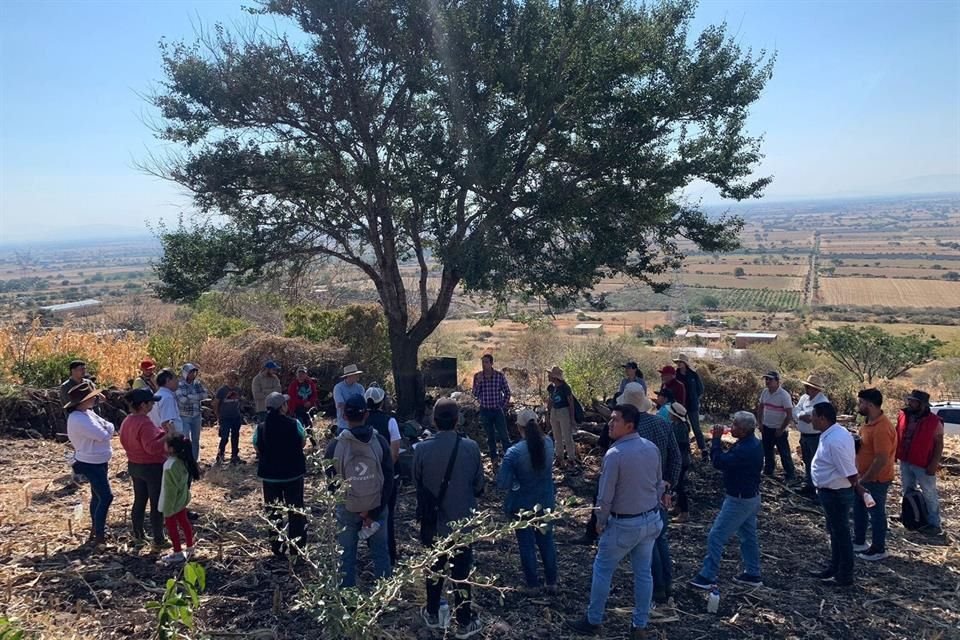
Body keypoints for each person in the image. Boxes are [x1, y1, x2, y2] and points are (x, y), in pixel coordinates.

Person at [568, 404, 664, 639]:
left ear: (629, 425)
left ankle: (594, 620)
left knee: (602, 570)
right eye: (610, 419)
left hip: (624, 524)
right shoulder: (651, 448)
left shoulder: (615, 455)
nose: (610, 424)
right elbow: (658, 482)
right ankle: (639, 625)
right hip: (650, 520)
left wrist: (599, 520)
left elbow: (605, 495)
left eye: (615, 421)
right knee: (643, 573)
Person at [414, 398, 485, 639]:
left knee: (434, 569)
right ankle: (464, 621)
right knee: (462, 572)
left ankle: (433, 614)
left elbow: (418, 484)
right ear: (457, 420)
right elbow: (479, 486)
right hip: (462, 522)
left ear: (434, 421)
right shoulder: (471, 448)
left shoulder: (421, 449)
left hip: (433, 523)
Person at [689, 411, 764, 590]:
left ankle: (708, 575)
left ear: (745, 430)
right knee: (748, 536)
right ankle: (753, 573)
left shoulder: (745, 450)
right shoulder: (754, 444)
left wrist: (715, 441)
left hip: (738, 499)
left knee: (716, 536)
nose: (731, 427)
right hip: (751, 496)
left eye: (735, 425)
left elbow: (719, 462)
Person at [325, 395, 394, 587]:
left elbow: (331, 483)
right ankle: (384, 597)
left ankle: (347, 602)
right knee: (381, 553)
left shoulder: (335, 446)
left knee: (346, 556)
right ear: (367, 414)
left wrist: (352, 506)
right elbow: (389, 479)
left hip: (347, 509)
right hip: (377, 506)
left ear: (345, 416)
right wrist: (372, 512)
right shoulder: (380, 442)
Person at [622, 385, 680, 608]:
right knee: (660, 538)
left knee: (649, 543)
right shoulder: (663, 424)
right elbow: (676, 457)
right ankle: (667, 584)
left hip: (643, 492)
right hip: (661, 490)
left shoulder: (631, 429)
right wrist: (669, 485)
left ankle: (657, 589)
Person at [496, 408, 558, 594]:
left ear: (518, 427)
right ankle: (552, 581)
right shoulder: (548, 443)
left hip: (521, 504)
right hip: (545, 500)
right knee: (547, 541)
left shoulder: (513, 453)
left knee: (526, 544)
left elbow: (502, 483)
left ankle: (532, 584)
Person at [809, 402, 862, 587]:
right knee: (835, 532)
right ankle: (835, 568)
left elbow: (848, 470)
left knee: (841, 533)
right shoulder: (834, 433)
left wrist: (859, 488)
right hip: (831, 491)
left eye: (814, 415)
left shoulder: (835, 440)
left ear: (822, 418)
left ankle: (844, 575)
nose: (811, 419)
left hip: (836, 493)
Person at [255, 392, 308, 557]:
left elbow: (256, 446)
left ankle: (277, 548)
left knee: (273, 512)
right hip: (293, 475)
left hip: (270, 477)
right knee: (296, 512)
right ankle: (297, 549)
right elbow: (303, 441)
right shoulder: (295, 423)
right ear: (282, 407)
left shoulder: (261, 427)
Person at [119, 388, 172, 551]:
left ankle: (139, 536)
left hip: (134, 465)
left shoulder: (127, 420)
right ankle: (158, 539)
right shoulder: (145, 422)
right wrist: (168, 435)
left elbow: (126, 440)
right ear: (143, 405)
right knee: (157, 503)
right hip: (151, 467)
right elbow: (152, 447)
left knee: (140, 500)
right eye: (151, 402)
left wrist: (161, 433)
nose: (153, 405)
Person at [65, 381, 114, 547]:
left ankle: (96, 529)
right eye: (91, 397)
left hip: (98, 459)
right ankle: (100, 534)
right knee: (106, 496)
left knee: (97, 495)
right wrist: (108, 430)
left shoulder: (88, 413)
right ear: (82, 401)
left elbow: (108, 427)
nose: (94, 399)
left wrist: (108, 429)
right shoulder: (78, 418)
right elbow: (103, 434)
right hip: (90, 462)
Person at [854, 388, 897, 561]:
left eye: (861, 402)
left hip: (876, 480)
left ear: (870, 404)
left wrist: (865, 480)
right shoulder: (868, 423)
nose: (859, 405)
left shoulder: (882, 428)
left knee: (876, 513)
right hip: (863, 477)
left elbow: (881, 459)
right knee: (859, 510)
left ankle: (879, 548)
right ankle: (859, 541)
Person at [895, 389, 945, 536]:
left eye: (913, 401)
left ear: (922, 404)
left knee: (929, 493)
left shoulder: (934, 421)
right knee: (907, 490)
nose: (909, 403)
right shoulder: (903, 415)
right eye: (909, 400)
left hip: (924, 463)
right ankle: (908, 516)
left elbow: (939, 444)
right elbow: (897, 434)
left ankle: (934, 524)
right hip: (905, 460)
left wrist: (934, 464)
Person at [364, 386, 402, 566]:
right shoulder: (390, 421)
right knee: (388, 515)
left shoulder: (361, 420)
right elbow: (395, 453)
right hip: (388, 479)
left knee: (368, 513)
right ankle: (389, 554)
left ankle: (373, 549)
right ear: (382, 401)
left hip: (365, 477)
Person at [159, 434, 201, 565]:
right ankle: (190, 547)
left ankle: (177, 552)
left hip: (171, 502)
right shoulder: (184, 462)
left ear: (171, 449)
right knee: (184, 522)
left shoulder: (169, 465)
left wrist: (168, 508)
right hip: (181, 500)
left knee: (172, 527)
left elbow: (169, 489)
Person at [792, 374, 829, 496]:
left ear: (816, 389)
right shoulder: (804, 398)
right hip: (804, 435)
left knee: (817, 463)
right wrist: (800, 415)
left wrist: (802, 415)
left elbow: (811, 418)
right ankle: (809, 486)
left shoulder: (822, 402)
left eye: (809, 387)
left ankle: (818, 490)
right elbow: (795, 411)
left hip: (816, 437)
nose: (806, 389)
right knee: (807, 461)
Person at [472, 354, 512, 464]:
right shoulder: (477, 376)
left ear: (491, 363)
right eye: (482, 362)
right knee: (490, 437)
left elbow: (507, 392)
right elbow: (475, 394)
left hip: (497, 410)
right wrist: (479, 382)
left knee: (504, 435)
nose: (484, 365)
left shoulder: (499, 376)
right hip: (485, 410)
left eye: (486, 362)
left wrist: (502, 405)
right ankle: (494, 459)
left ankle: (509, 459)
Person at [757, 371, 796, 482]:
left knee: (784, 453)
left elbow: (789, 415)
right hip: (766, 427)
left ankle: (790, 474)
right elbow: (760, 407)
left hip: (779, 429)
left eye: (770, 379)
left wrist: (781, 429)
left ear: (777, 381)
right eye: (766, 379)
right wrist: (760, 423)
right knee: (768, 451)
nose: (767, 382)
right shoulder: (765, 392)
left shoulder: (784, 395)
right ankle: (769, 471)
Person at [673, 354, 707, 460]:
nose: (679, 364)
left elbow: (700, 389)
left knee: (696, 427)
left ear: (685, 363)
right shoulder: (675, 375)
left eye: (680, 362)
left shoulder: (693, 375)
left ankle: (703, 449)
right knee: (682, 428)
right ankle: (685, 449)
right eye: (677, 362)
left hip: (692, 406)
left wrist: (695, 399)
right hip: (680, 405)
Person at [546, 366, 578, 469]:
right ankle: (559, 457)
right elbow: (550, 401)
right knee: (557, 436)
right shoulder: (551, 388)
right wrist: (548, 413)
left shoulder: (565, 387)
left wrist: (572, 417)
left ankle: (571, 458)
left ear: (554, 377)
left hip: (564, 411)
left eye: (549, 375)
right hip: (554, 411)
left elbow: (571, 403)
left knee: (567, 436)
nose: (548, 376)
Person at [176, 363, 207, 462]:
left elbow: (205, 395)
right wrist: (196, 397)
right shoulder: (179, 385)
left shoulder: (197, 384)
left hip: (197, 416)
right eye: (190, 372)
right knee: (185, 440)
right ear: (185, 373)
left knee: (196, 440)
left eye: (194, 372)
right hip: (184, 416)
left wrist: (190, 397)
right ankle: (186, 460)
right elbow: (182, 400)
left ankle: (195, 460)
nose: (193, 374)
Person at [666, 402, 692, 522]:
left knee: (679, 486)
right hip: (683, 459)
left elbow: (676, 445)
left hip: (681, 460)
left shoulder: (679, 428)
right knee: (678, 485)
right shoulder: (680, 425)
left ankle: (685, 512)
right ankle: (677, 507)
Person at [213, 370, 245, 465]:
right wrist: (218, 415)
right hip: (225, 417)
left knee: (235, 436)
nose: (231, 381)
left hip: (235, 416)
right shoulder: (222, 390)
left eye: (233, 378)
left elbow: (240, 400)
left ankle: (234, 455)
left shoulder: (238, 390)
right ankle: (220, 454)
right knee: (224, 436)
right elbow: (216, 403)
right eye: (229, 378)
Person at [287, 366, 319, 446]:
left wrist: (310, 402)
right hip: (297, 409)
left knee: (309, 426)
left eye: (303, 373)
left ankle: (314, 445)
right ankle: (298, 445)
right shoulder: (293, 384)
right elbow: (292, 397)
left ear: (306, 374)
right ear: (296, 374)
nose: (301, 375)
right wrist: (302, 402)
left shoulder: (310, 383)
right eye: (299, 373)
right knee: (299, 427)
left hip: (308, 409)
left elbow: (314, 395)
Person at [333, 364, 366, 434]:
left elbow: (363, 403)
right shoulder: (338, 388)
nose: (357, 376)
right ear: (349, 376)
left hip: (358, 424)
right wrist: (355, 406)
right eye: (355, 375)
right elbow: (340, 404)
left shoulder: (360, 388)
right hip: (343, 425)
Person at [149, 369, 182, 435]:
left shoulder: (157, 395)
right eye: (175, 378)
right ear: (168, 380)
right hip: (166, 438)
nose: (177, 381)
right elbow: (167, 423)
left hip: (156, 434)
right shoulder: (167, 398)